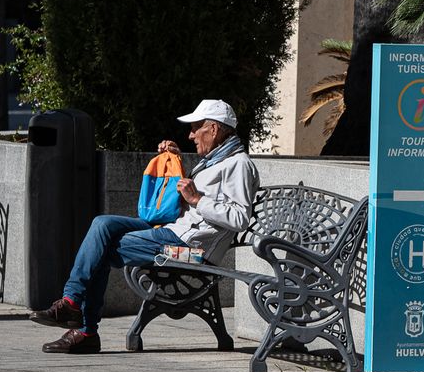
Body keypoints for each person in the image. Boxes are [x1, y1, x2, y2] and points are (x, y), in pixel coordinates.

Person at [32, 100, 259, 354]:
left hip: (191, 250)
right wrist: (175, 158)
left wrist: (197, 199)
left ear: (214, 129)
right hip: (173, 230)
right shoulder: (215, 160)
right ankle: (72, 302)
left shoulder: (239, 165)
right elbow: (190, 202)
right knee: (102, 224)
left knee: (102, 249)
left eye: (195, 128)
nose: (190, 135)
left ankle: (84, 329)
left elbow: (240, 218)